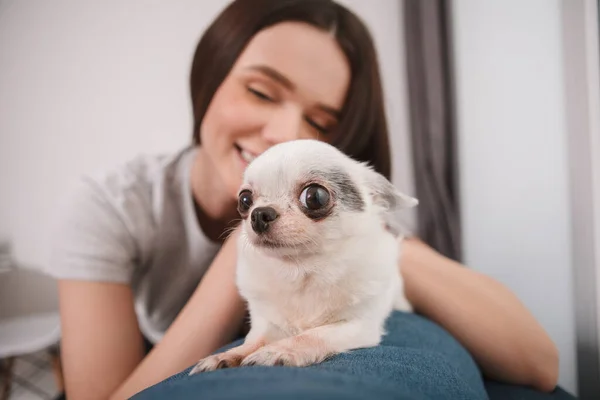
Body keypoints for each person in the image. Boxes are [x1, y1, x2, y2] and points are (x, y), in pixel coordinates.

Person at [47, 0, 563, 399]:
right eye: (263, 92)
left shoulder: (342, 219)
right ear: (209, 77)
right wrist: (243, 251)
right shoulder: (114, 205)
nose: (284, 132)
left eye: (320, 123)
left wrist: (376, 246)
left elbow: (538, 364)